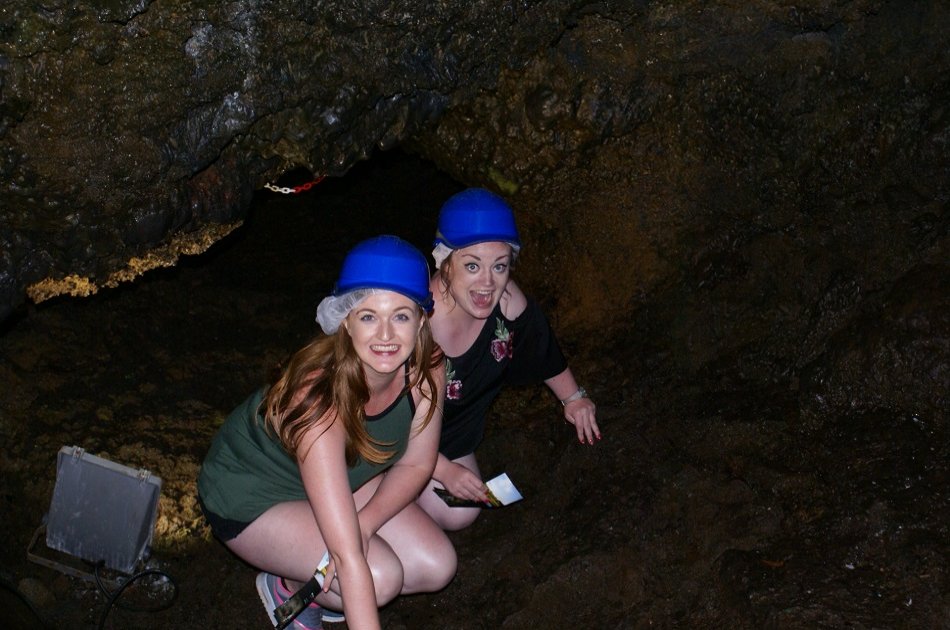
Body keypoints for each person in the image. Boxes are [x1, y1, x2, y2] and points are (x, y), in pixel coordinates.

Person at [197, 235, 455, 630]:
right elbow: (349, 556)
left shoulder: (428, 366)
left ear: (422, 320)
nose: (385, 334)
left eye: (400, 315)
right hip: (253, 492)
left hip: (343, 474)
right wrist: (350, 545)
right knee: (379, 576)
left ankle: (317, 583)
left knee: (436, 565)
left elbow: (417, 463)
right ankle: (287, 586)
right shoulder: (318, 401)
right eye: (368, 316)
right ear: (345, 320)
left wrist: (365, 523)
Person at [415, 188, 601, 532]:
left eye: (499, 266)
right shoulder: (414, 328)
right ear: (445, 261)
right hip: (396, 449)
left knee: (463, 510)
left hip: (451, 438)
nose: (487, 283)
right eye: (472, 265)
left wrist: (574, 399)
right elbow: (383, 428)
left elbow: (541, 347)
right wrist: (441, 470)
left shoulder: (504, 301)